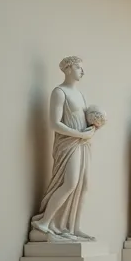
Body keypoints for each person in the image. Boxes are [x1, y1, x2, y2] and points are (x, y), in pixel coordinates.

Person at [30, 56, 98, 241]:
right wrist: (80, 134)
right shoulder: (59, 92)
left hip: (83, 144)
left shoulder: (80, 95)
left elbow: (84, 121)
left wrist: (94, 127)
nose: (82, 71)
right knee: (70, 183)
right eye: (78, 67)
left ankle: (74, 227)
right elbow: (55, 123)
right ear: (68, 69)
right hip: (68, 144)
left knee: (84, 185)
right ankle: (44, 222)